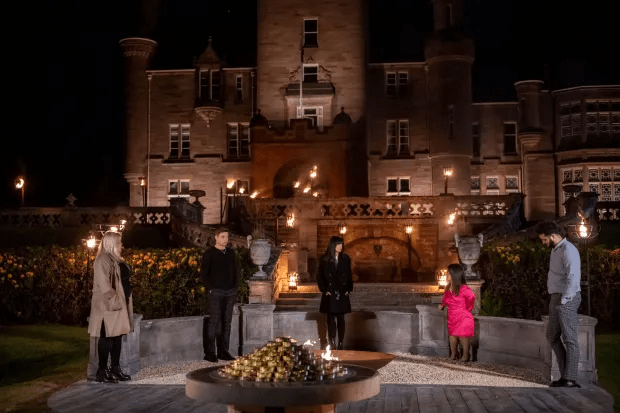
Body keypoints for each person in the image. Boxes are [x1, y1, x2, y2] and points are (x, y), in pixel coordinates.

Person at [536, 220, 581, 388]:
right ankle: (565, 376)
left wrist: (565, 299)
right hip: (556, 297)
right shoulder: (555, 250)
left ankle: (570, 378)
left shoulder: (569, 250)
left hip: (567, 298)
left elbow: (573, 277)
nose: (543, 242)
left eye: (544, 239)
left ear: (553, 236)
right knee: (552, 336)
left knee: (570, 339)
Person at [87, 231, 133, 383]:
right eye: (119, 243)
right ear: (111, 244)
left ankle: (115, 368)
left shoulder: (114, 259)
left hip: (118, 303)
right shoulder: (103, 259)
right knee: (107, 337)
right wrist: (115, 300)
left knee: (117, 336)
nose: (122, 245)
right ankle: (102, 371)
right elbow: (104, 284)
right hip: (108, 306)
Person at [201, 227, 238, 362]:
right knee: (214, 322)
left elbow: (235, 271)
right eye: (222, 237)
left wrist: (235, 287)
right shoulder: (209, 254)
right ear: (216, 237)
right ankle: (210, 352)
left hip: (230, 292)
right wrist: (210, 289)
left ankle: (224, 351)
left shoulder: (230, 253)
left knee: (227, 323)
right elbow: (204, 273)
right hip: (215, 292)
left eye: (227, 237)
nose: (225, 239)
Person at [317, 235, 353, 350]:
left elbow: (349, 275)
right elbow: (319, 276)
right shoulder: (324, 259)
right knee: (331, 319)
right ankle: (332, 342)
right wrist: (325, 290)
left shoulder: (346, 258)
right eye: (338, 244)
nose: (341, 247)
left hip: (342, 292)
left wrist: (348, 289)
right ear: (333, 246)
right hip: (330, 293)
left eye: (341, 244)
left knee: (341, 319)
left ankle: (341, 342)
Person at [438, 264, 475, 361]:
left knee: (463, 336)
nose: (447, 275)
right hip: (452, 316)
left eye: (448, 274)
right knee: (452, 336)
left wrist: (466, 309)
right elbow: (446, 300)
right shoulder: (448, 288)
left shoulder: (464, 289)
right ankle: (454, 354)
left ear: (455, 275)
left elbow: (471, 298)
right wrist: (442, 305)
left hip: (463, 315)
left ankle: (465, 355)